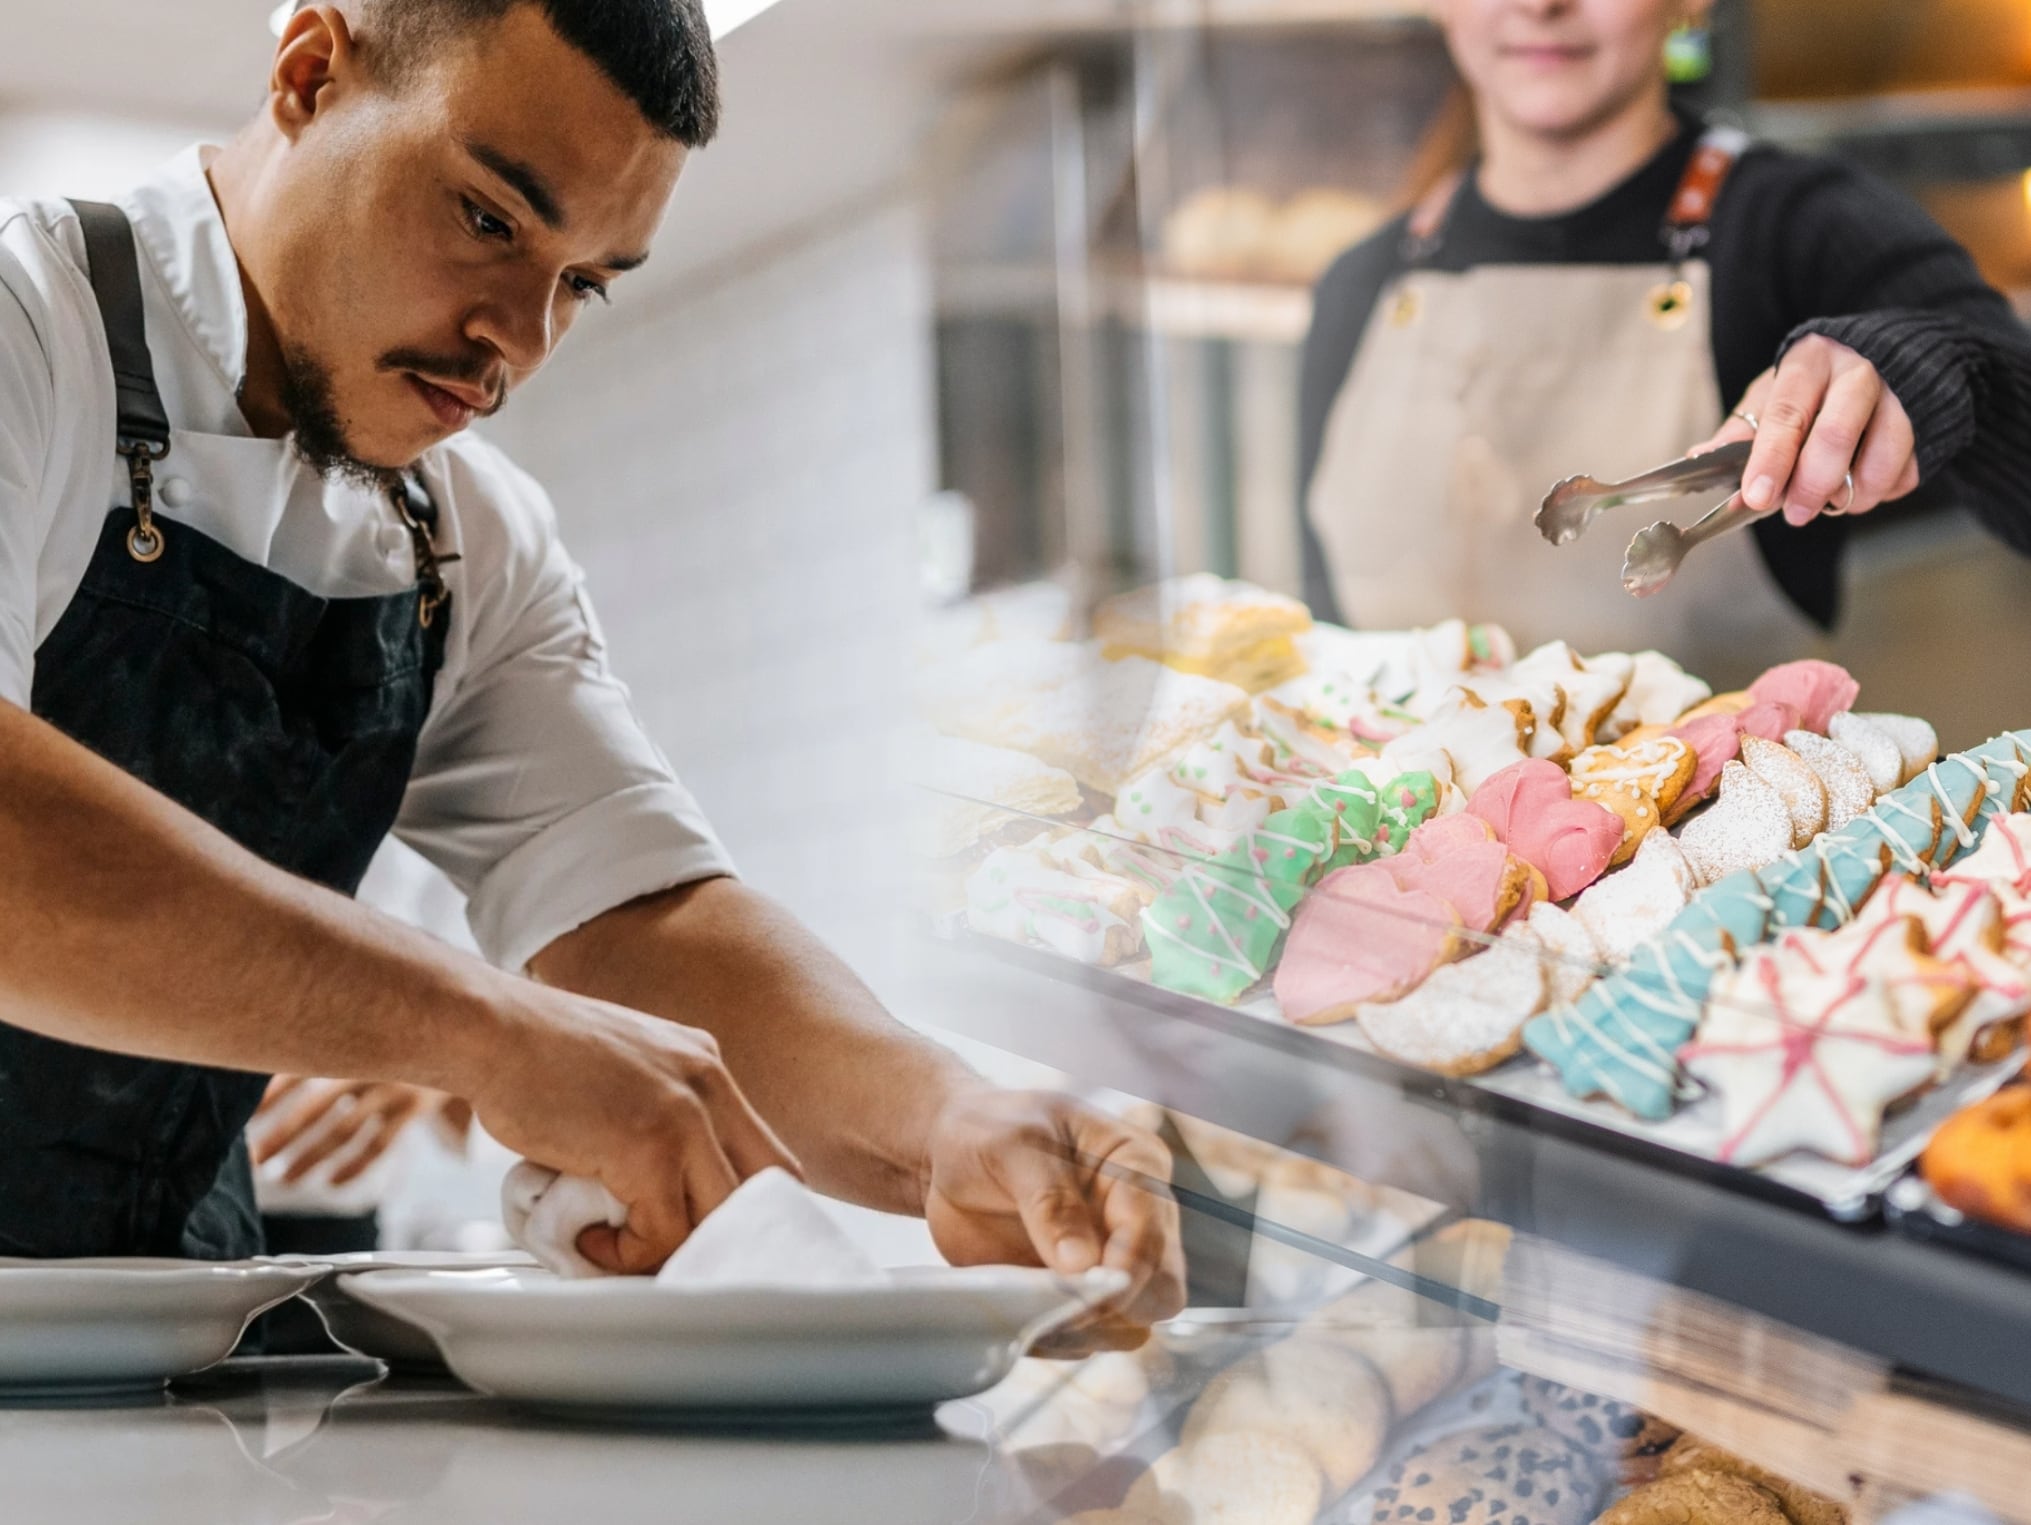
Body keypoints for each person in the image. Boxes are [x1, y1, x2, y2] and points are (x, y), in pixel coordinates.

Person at [0, 0, 1182, 1347]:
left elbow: (635, 917)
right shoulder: (25, 332)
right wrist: (487, 1032)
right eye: (492, 220)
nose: (519, 338)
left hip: (148, 1342)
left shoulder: (469, 542)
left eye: (585, 280)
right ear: (311, 72)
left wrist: (945, 1118)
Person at [1298, 0, 2031, 676]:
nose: (1540, 5)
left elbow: (2007, 403)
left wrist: (1939, 368)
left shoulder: (1801, 226)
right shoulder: (1359, 284)